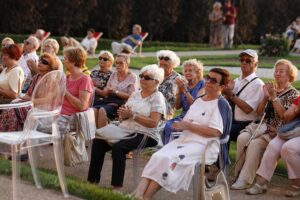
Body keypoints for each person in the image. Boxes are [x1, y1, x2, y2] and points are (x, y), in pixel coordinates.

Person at [132, 68, 230, 199]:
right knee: (158, 156)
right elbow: (187, 121)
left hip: (204, 146)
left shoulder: (220, 104)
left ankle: (146, 197)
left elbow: (215, 131)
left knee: (168, 159)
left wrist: (188, 126)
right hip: (184, 141)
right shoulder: (200, 100)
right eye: (208, 77)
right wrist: (180, 126)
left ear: (222, 86)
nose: (208, 81)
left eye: (214, 80)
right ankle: (138, 194)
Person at [87, 64, 166, 189]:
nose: (142, 79)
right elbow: (124, 115)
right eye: (141, 76)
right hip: (125, 129)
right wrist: (122, 115)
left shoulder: (157, 98)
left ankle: (116, 187)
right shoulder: (136, 94)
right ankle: (92, 182)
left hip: (145, 134)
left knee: (119, 147)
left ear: (156, 81)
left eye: (146, 77)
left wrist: (133, 115)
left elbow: (153, 123)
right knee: (98, 141)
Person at [231, 59, 299, 190]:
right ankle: (238, 175)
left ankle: (245, 179)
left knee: (254, 145)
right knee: (242, 138)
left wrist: (273, 97)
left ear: (290, 75)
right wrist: (265, 96)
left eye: (281, 71)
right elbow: (259, 111)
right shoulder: (273, 89)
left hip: (277, 131)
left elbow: (284, 117)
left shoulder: (293, 93)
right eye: (276, 71)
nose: (277, 74)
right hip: (261, 126)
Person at [246, 96, 300, 197]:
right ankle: (261, 183)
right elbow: (287, 118)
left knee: (289, 148)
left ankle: (297, 184)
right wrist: (297, 109)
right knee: (273, 145)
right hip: (294, 131)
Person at [222, 49, 264, 151]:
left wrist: (230, 94)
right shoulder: (236, 81)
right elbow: (227, 102)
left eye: (248, 61)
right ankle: (218, 161)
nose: (244, 63)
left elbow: (248, 109)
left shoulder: (257, 84)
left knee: (222, 131)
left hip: (248, 123)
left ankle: (221, 163)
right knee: (214, 127)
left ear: (256, 64)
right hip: (233, 120)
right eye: (242, 60)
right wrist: (225, 93)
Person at [162, 59, 205, 144]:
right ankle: (168, 151)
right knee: (168, 125)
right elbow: (178, 107)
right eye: (185, 71)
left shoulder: (202, 84)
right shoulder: (185, 84)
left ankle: (177, 150)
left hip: (196, 117)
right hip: (183, 115)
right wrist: (179, 91)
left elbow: (196, 106)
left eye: (190, 70)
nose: (187, 72)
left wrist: (185, 90)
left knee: (174, 128)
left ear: (197, 72)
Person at [95, 53, 139, 128]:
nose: (118, 65)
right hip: (108, 100)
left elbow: (132, 96)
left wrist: (115, 91)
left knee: (102, 110)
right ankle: (94, 135)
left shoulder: (132, 77)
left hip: (122, 104)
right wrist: (105, 89)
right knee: (93, 110)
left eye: (121, 63)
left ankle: (101, 135)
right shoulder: (114, 74)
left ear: (127, 64)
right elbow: (106, 90)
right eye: (116, 63)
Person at [57, 47, 94, 133]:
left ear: (73, 61)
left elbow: (82, 106)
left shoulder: (85, 79)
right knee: (33, 120)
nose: (63, 61)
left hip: (72, 119)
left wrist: (65, 92)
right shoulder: (65, 78)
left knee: (39, 126)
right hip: (59, 115)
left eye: (65, 58)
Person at [157, 50, 181, 119]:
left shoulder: (177, 78)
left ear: (173, 64)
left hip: (166, 110)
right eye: (161, 65)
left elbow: (170, 95)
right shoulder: (156, 74)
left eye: (165, 65)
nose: (162, 67)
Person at [90, 50, 114, 123]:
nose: (102, 60)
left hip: (103, 102)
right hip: (91, 100)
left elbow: (105, 93)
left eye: (105, 59)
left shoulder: (112, 75)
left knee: (92, 112)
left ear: (111, 62)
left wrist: (93, 87)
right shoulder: (94, 72)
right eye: (100, 58)